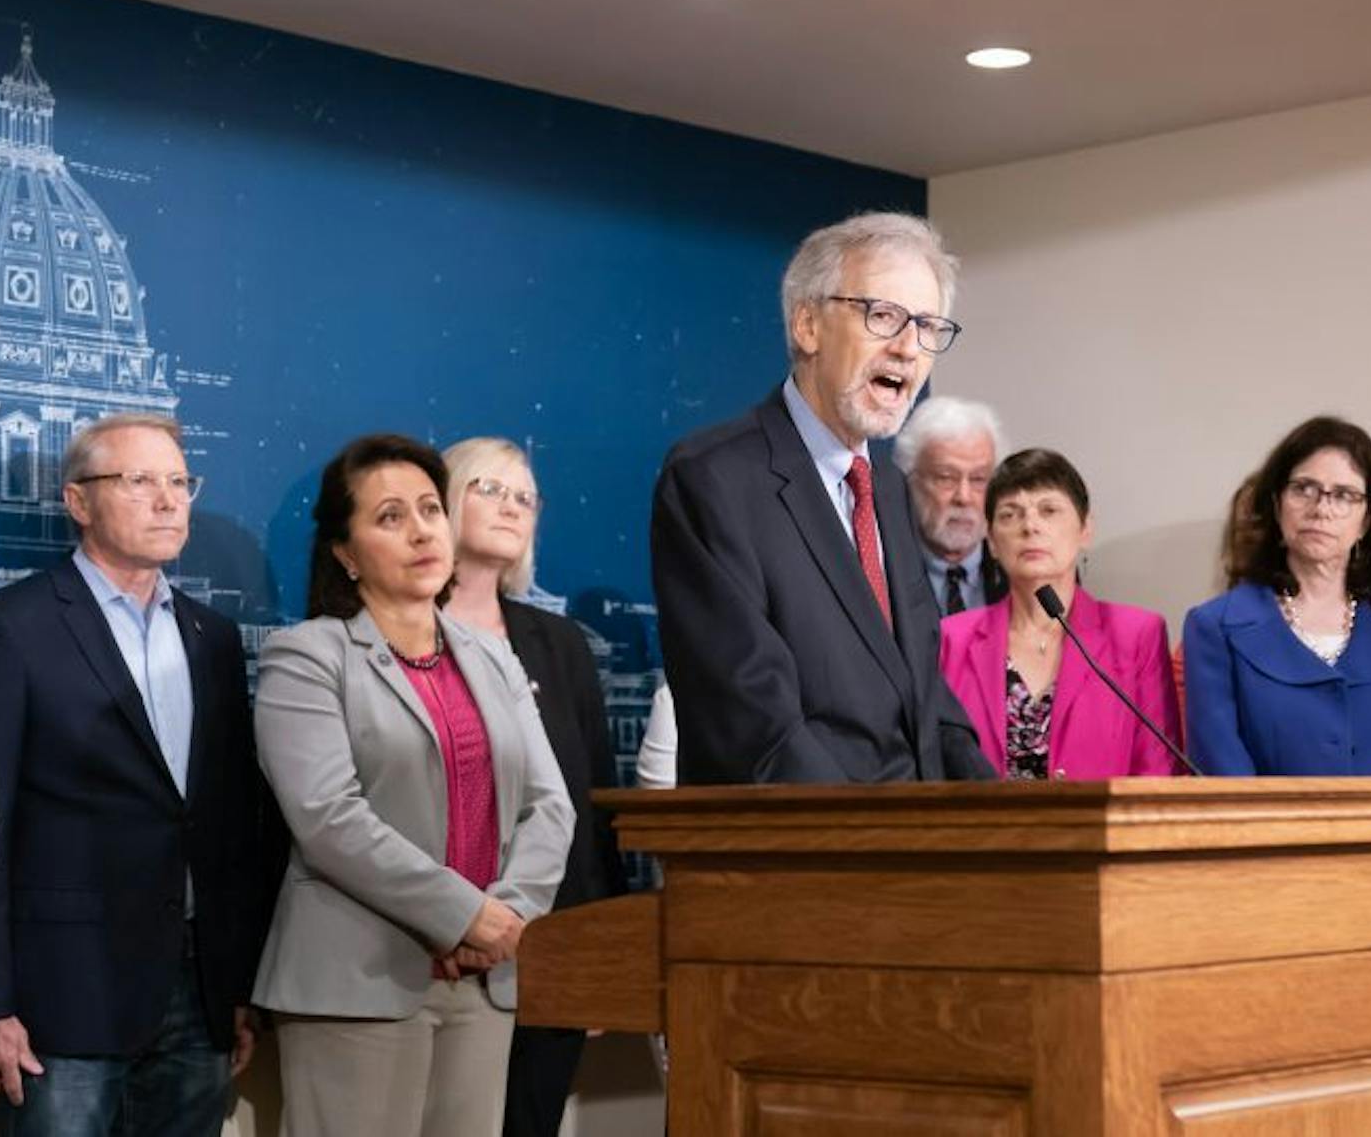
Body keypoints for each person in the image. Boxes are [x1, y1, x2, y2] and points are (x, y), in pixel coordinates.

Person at [0, 412, 281, 1137]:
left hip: (196, 990)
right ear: (77, 501)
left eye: (179, 482)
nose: (168, 500)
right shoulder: (8, 628)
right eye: (138, 481)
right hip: (59, 995)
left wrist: (235, 985)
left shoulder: (212, 638)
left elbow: (226, 825)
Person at [252, 433, 573, 1137]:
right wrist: (463, 915)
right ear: (345, 552)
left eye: (430, 508)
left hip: (486, 979)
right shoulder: (306, 657)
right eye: (390, 516)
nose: (422, 529)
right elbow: (328, 818)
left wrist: (503, 922)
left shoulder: (492, 657)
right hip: (357, 982)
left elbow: (551, 806)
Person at [650, 211, 995, 784]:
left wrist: (1008, 824)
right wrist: (877, 847)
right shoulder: (713, 479)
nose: (910, 348)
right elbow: (753, 725)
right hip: (807, 854)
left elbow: (924, 699)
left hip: (917, 852)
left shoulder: (887, 489)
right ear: (808, 324)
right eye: (884, 316)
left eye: (929, 326)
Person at [439, 436, 625, 1137]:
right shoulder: (399, 632)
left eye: (525, 498)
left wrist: (601, 958)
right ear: (444, 499)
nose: (512, 507)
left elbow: (592, 801)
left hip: (551, 946)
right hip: (440, 947)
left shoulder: (561, 643)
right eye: (491, 489)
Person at [1182, 417, 1371, 776]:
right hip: (1265, 831)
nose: (1321, 509)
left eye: (1343, 495)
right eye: (1303, 488)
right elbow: (1221, 769)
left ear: (1367, 520)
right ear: (1277, 502)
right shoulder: (1214, 627)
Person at [938, 449, 1182, 778]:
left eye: (1049, 510)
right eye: (1010, 515)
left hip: (1102, 828)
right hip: (982, 828)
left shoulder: (1137, 635)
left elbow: (1157, 773)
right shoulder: (950, 639)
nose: (1030, 526)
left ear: (1085, 529)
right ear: (992, 542)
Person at [892, 395, 1007, 614]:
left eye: (979, 479)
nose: (963, 497)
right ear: (910, 480)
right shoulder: (883, 570)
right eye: (946, 478)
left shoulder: (1021, 570)